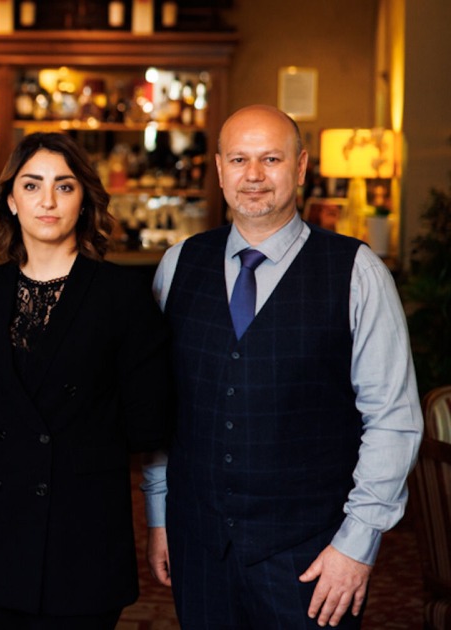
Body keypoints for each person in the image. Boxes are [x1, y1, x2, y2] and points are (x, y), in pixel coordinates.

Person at [142, 104, 423, 629]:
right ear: (219, 169)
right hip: (198, 547)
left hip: (314, 558)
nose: (253, 175)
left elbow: (393, 419)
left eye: (271, 159)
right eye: (239, 159)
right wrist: (160, 517)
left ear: (300, 167)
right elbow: (162, 409)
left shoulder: (357, 272)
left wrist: (357, 545)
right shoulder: (177, 264)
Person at [0, 132, 172, 628]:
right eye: (31, 185)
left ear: (84, 200)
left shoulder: (123, 296)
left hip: (82, 536)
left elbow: (148, 421)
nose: (47, 201)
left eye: (64, 186)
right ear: (11, 200)